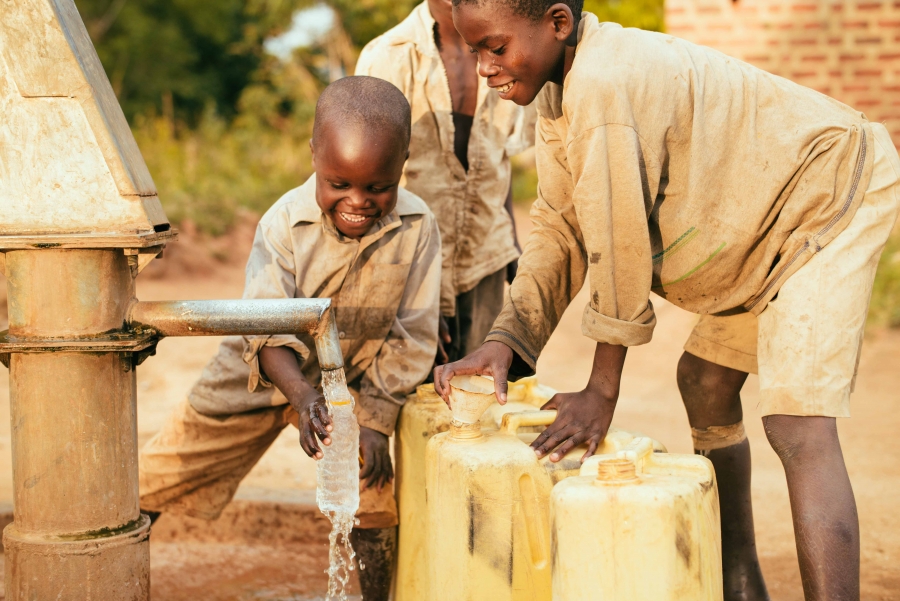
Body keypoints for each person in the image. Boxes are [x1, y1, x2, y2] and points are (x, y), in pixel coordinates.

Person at [433, 2, 900, 600]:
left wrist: (602, 389)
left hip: (828, 193)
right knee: (705, 381)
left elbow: (617, 236)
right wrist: (506, 344)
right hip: (767, 224)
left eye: (495, 48)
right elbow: (562, 225)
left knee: (796, 421)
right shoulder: (557, 92)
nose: (486, 68)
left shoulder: (605, 83)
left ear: (557, 23)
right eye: (475, 52)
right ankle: (739, 585)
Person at [139, 76, 441, 601]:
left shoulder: (418, 226)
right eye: (339, 182)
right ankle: (105, 578)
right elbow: (265, 326)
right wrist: (302, 399)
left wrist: (374, 420)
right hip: (258, 376)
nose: (358, 201)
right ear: (314, 154)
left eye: (377, 187)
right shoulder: (283, 223)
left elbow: (414, 333)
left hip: (355, 386)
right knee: (159, 475)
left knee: (372, 500)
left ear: (403, 164)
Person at [355, 0, 535, 364]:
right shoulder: (388, 57)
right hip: (412, 263)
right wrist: (405, 291)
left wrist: (509, 240)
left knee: (479, 391)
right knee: (413, 393)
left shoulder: (509, 50)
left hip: (487, 255)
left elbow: (498, 158)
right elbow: (366, 180)